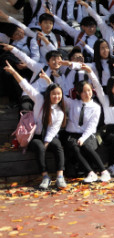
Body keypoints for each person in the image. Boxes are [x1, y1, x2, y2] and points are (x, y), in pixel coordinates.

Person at [4, 61, 68, 190]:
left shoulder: (60, 112)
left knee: (57, 145)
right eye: (54, 94)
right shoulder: (39, 99)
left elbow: (52, 130)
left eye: (59, 94)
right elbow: (25, 86)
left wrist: (47, 143)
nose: (56, 96)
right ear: (48, 95)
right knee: (38, 146)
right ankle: (45, 177)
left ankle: (60, 176)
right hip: (35, 135)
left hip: (48, 136)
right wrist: (14, 72)